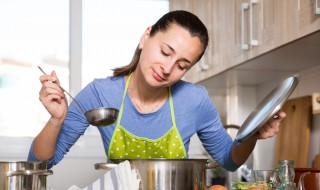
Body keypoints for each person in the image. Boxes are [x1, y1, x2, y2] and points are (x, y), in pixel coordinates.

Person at [28, 10, 286, 170]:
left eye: (181, 65)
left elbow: (229, 161)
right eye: (165, 52)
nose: (167, 68)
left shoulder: (195, 100)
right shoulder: (99, 94)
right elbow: (42, 163)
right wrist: (56, 119)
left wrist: (251, 134)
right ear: (145, 37)